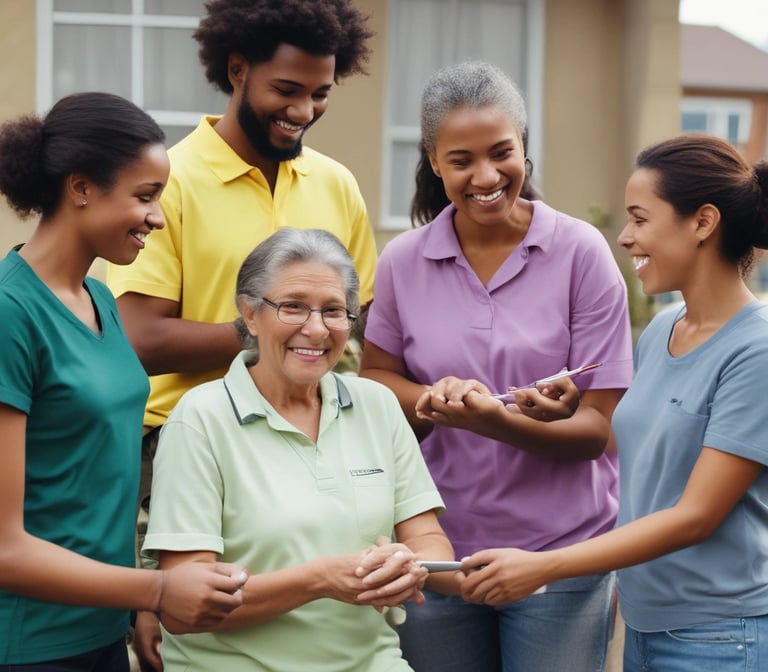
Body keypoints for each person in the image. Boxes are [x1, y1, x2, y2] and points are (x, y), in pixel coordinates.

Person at [359, 61, 634, 672]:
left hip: (559, 558)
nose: (486, 176)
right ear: (433, 160)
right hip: (435, 552)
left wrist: (489, 420)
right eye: (461, 160)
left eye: (501, 152)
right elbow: (376, 380)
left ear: (525, 149)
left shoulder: (581, 253)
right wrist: (430, 398)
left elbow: (594, 433)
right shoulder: (404, 260)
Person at [460, 134, 768, 672]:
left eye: (640, 219)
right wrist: (563, 411)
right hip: (648, 627)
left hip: (721, 637)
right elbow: (634, 446)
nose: (625, 237)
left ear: (703, 222)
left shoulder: (756, 351)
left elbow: (695, 516)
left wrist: (544, 567)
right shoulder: (664, 329)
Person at [0, 92, 246, 671]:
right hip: (30, 646)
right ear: (81, 188)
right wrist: (156, 591)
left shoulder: (101, 300)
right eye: (145, 196)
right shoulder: (12, 312)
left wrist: (137, 606)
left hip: (103, 633)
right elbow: (5, 548)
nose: (157, 217)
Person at [141, 227, 454, 672]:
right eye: (293, 307)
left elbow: (429, 540)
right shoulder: (200, 420)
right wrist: (319, 580)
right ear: (249, 314)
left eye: (334, 311)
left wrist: (411, 563)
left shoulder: (376, 404)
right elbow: (183, 606)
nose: (316, 329)